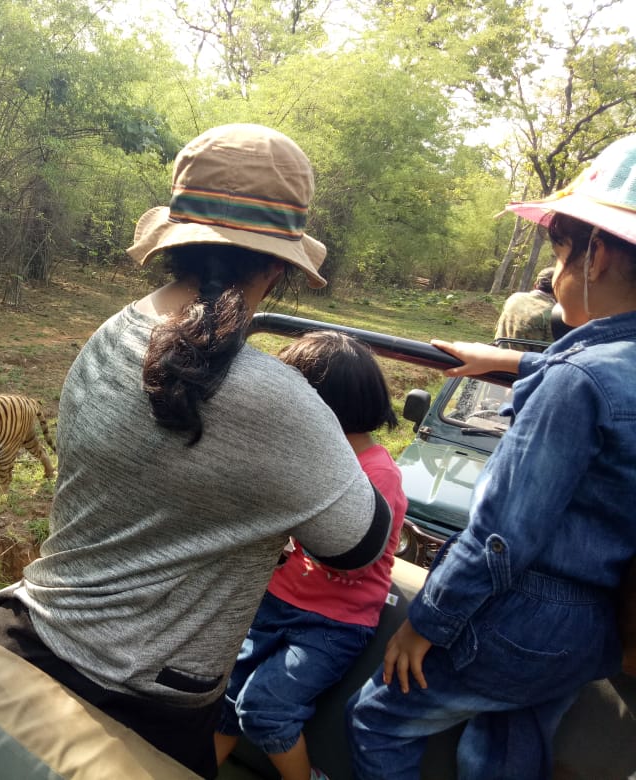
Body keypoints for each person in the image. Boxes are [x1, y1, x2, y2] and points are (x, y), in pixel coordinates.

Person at [0, 123, 392, 779]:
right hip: (148, 708)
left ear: (175, 242)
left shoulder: (109, 333)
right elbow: (360, 543)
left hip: (27, 634)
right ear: (279, 265)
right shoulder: (280, 404)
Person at [347, 133, 636, 780]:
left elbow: (500, 537)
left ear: (597, 257)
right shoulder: (605, 370)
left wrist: (426, 622)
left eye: (561, 251)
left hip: (523, 621)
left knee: (378, 717)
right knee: (506, 746)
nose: (557, 270)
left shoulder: (576, 382)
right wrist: (512, 360)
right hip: (592, 632)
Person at [214, 331, 408, 780]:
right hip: (276, 601)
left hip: (333, 622)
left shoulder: (378, 475)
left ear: (317, 408)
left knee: (264, 708)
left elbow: (349, 552)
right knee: (224, 694)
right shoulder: (300, 460)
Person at [494, 266, 557, 344]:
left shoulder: (514, 298)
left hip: (498, 351)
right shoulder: (554, 313)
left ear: (535, 284)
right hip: (525, 356)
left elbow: (498, 328)